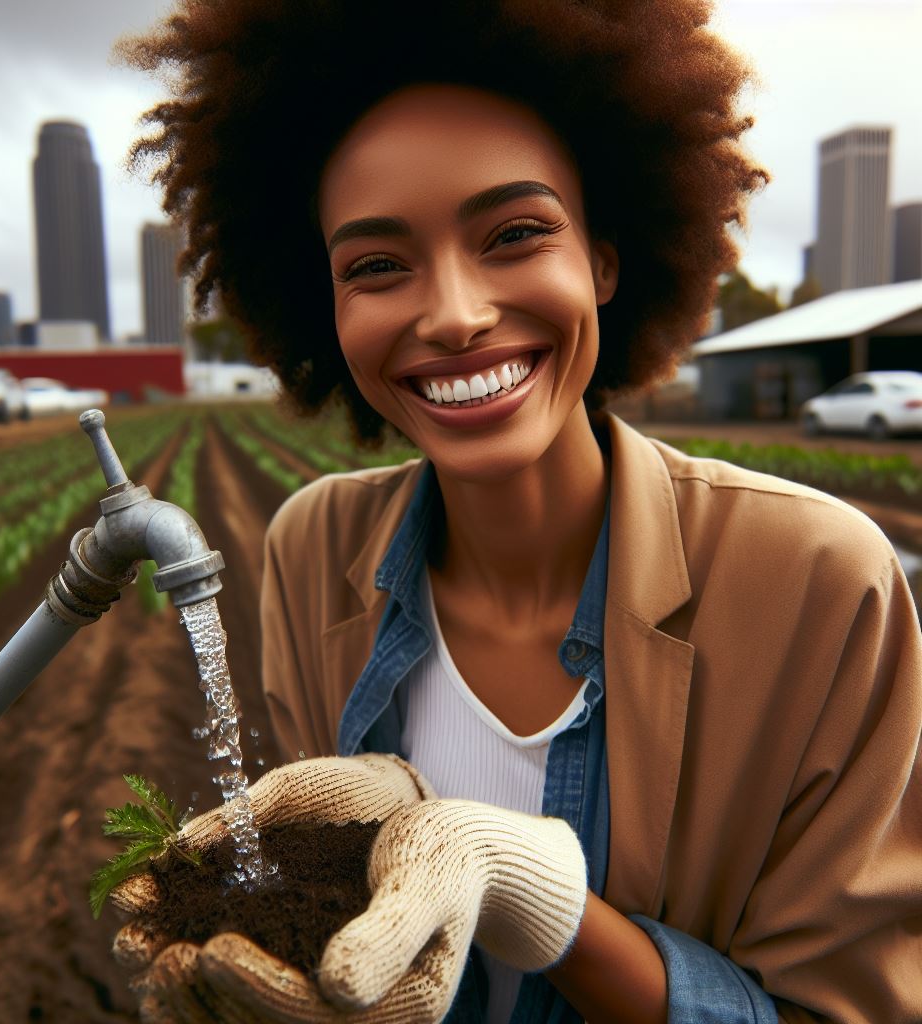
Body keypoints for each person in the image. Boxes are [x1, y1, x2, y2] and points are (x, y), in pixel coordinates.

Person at [113, 2, 922, 1021]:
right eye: (375, 264)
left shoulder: (815, 580)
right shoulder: (313, 548)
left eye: (515, 234)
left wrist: (548, 907)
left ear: (604, 260)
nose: (451, 313)